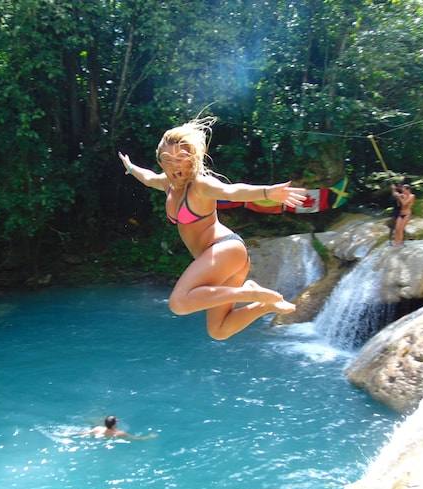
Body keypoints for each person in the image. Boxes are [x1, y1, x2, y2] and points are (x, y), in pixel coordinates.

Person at [117, 117, 305, 340]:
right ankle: (263, 306)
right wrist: (130, 167)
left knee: (179, 303)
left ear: (192, 160)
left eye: (182, 158)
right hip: (218, 261)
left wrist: (267, 193)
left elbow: (232, 192)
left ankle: (249, 292)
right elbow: (147, 178)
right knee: (219, 331)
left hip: (225, 250)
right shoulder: (166, 183)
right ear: (161, 161)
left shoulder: (200, 185)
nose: (176, 165)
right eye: (169, 159)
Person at [79, 415, 156, 440]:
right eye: (116, 421)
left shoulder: (98, 428)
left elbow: (84, 433)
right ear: (114, 425)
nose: (117, 421)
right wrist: (149, 437)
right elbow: (136, 439)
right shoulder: (120, 433)